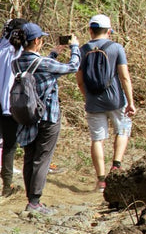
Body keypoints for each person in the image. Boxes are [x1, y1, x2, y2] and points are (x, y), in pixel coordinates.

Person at [14, 23, 79, 216]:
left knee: (29, 157)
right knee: (42, 158)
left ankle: (31, 199)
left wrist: (53, 54)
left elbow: (38, 72)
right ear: (36, 41)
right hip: (48, 116)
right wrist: (75, 47)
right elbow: (73, 67)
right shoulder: (42, 63)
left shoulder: (16, 62)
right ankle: (35, 202)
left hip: (26, 115)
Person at [75, 14, 136, 192]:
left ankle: (101, 181)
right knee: (122, 129)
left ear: (90, 30)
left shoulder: (81, 50)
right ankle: (116, 167)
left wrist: (88, 97)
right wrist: (130, 102)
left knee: (97, 139)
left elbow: (79, 81)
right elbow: (124, 77)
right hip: (116, 100)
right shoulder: (116, 48)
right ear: (109, 31)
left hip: (93, 102)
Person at [0, 18, 24, 196]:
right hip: (10, 106)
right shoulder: (21, 53)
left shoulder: (1, 48)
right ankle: (7, 187)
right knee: (9, 146)